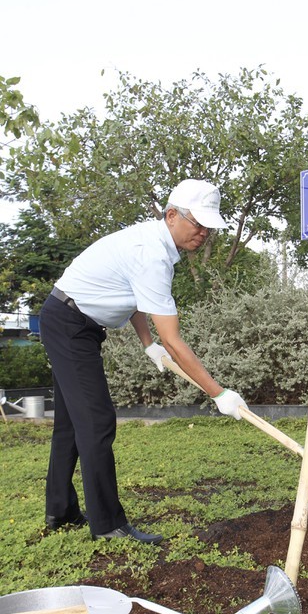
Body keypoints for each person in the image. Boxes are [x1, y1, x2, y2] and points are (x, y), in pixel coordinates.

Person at [40, 179, 247, 544]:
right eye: (197, 224)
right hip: (70, 324)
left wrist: (148, 343)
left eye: (208, 227)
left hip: (68, 318)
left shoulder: (155, 244)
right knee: (97, 422)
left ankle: (60, 510)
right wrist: (219, 393)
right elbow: (175, 339)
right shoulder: (151, 253)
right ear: (171, 215)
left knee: (72, 423)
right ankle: (108, 525)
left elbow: (135, 298)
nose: (203, 233)